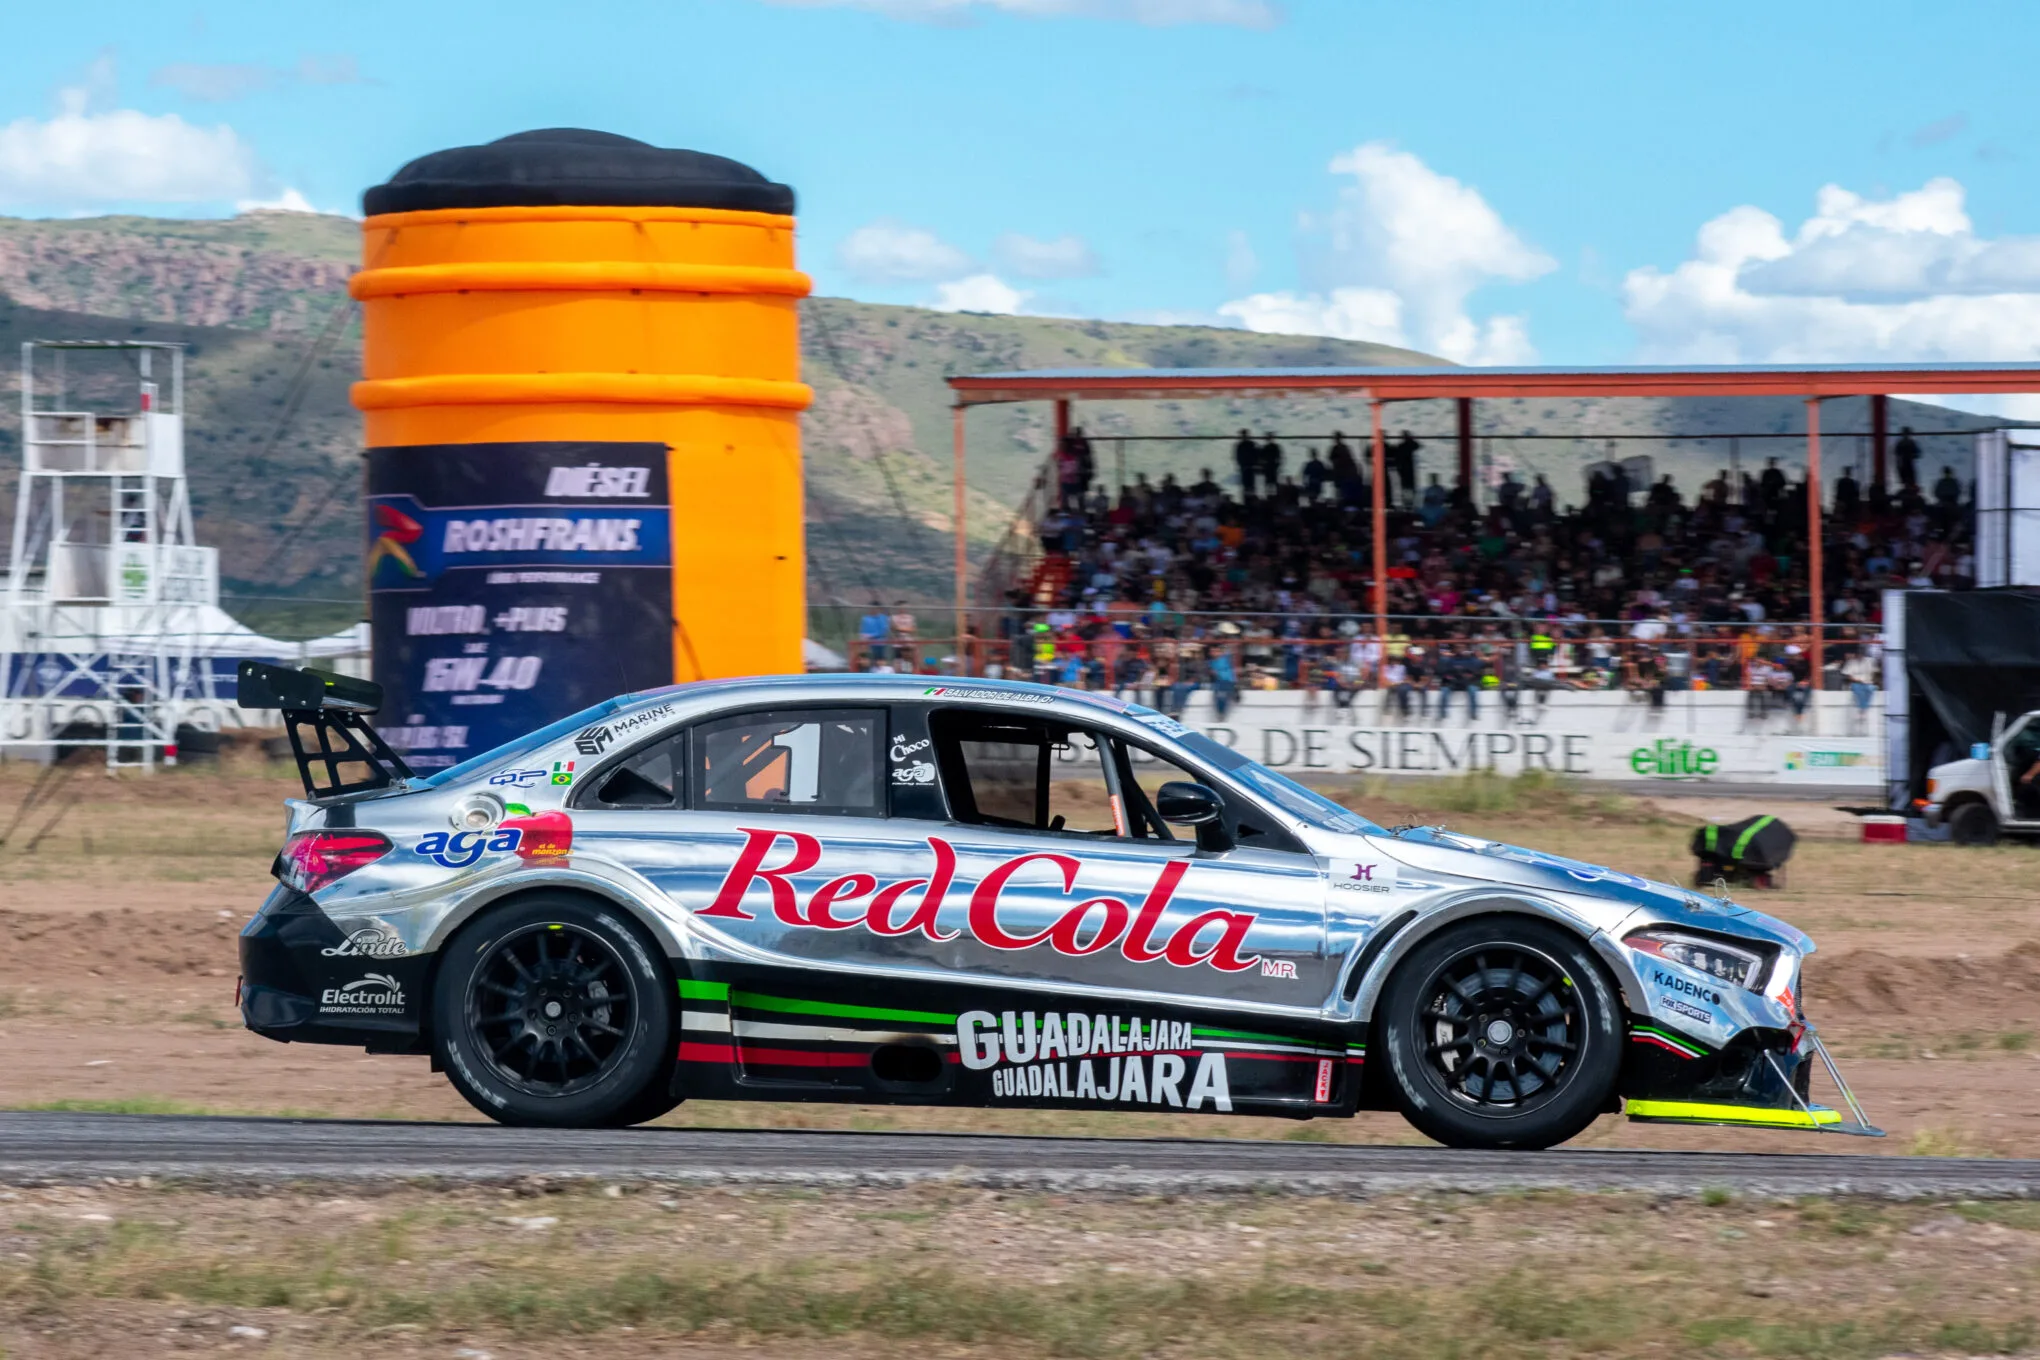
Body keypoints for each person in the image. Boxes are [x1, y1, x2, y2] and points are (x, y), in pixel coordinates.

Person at [1392, 430, 1421, 507]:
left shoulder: (1402, 446)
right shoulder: (1405, 446)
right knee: (1408, 486)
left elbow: (1417, 446)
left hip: (1405, 469)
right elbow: (1417, 445)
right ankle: (1409, 503)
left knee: (1407, 486)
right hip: (1406, 469)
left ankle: (1408, 502)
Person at [1233, 428, 1259, 500]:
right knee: (1246, 487)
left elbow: (1256, 456)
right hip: (1245, 468)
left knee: (1251, 486)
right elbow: (1238, 457)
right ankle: (1247, 500)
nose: (1244, 436)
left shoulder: (1251, 444)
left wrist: (1253, 464)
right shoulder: (1240, 445)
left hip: (1250, 468)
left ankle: (1251, 500)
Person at [1895, 426, 1922, 491]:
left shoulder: (1900, 443)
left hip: (1904, 462)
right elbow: (1917, 453)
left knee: (1906, 475)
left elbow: (1897, 453)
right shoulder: (1911, 442)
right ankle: (1910, 486)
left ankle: (1908, 486)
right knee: (1909, 475)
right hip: (1908, 462)